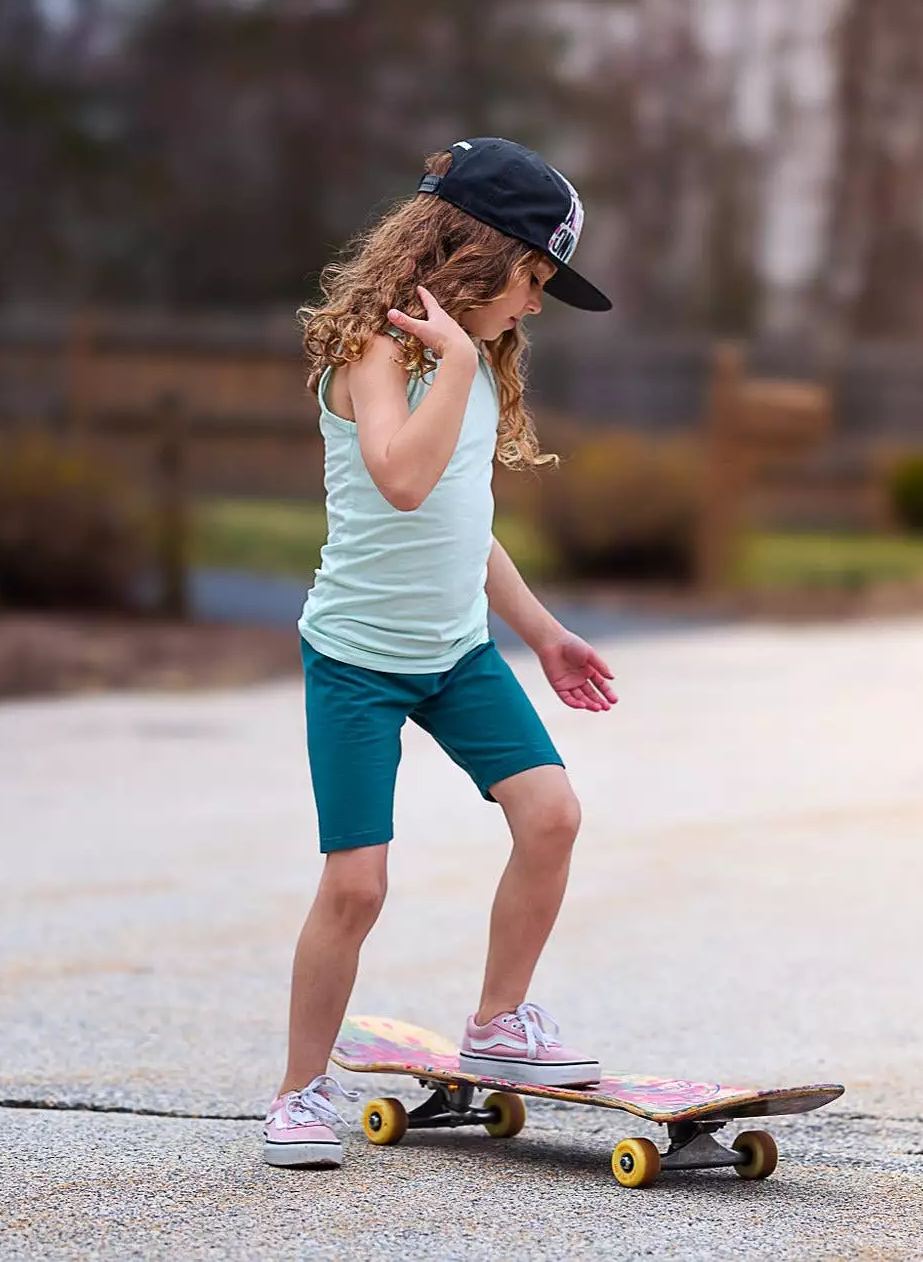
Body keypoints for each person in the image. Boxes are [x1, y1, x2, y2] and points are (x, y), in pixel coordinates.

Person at [265, 137, 618, 1169]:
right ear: (476, 251)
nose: (536, 305)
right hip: (357, 659)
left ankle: (499, 1019)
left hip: (455, 650)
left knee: (550, 813)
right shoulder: (380, 348)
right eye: (533, 278)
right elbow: (402, 480)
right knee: (356, 886)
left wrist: (542, 632)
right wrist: (455, 364)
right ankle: (296, 1091)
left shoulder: (472, 359)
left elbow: (462, 523)